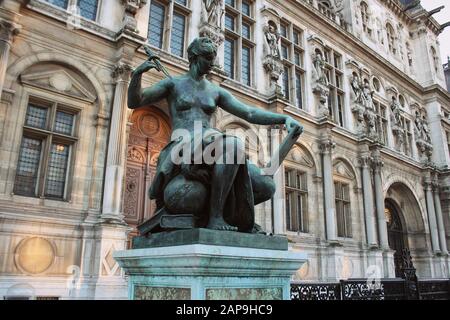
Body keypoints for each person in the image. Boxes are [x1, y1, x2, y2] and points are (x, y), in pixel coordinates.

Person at [128, 37, 303, 232]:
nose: (213, 63)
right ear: (194, 57)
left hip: (209, 143)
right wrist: (137, 75)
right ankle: (215, 217)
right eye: (208, 58)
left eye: (213, 58)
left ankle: (232, 216)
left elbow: (249, 113)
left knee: (265, 186)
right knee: (233, 145)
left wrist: (283, 119)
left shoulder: (214, 91)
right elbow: (136, 101)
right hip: (183, 144)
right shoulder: (173, 84)